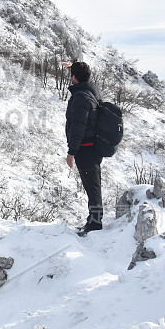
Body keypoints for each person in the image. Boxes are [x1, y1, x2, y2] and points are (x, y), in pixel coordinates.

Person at [62, 61, 103, 236]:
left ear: (74, 78)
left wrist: (71, 152)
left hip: (85, 149)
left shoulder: (80, 98)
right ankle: (93, 219)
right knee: (93, 183)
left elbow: (78, 126)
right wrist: (73, 67)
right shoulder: (90, 90)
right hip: (92, 146)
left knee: (91, 186)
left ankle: (95, 223)